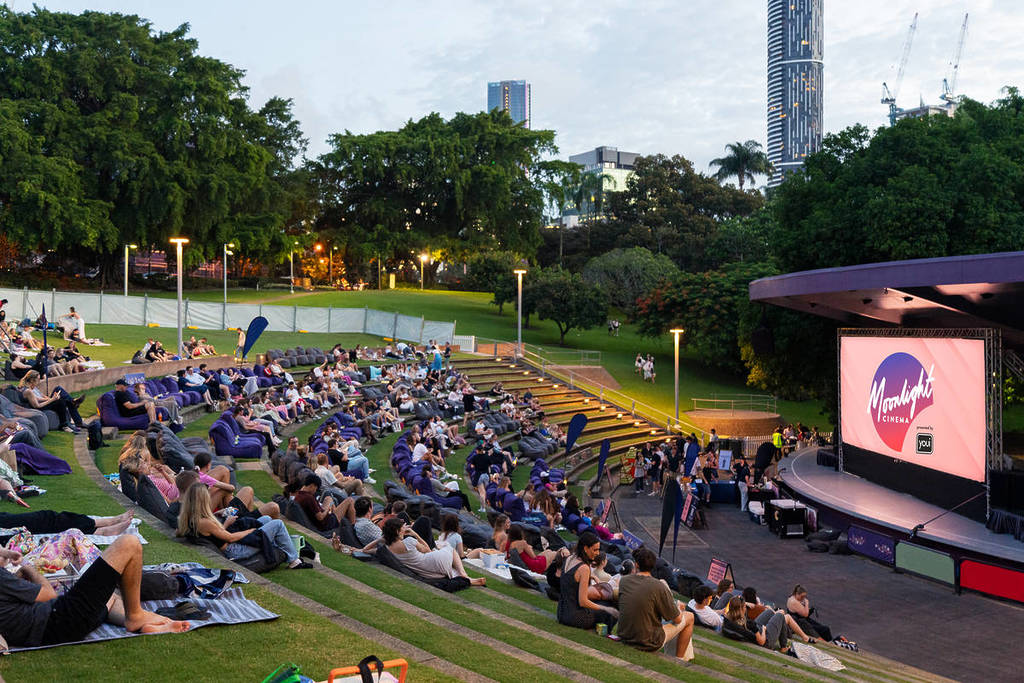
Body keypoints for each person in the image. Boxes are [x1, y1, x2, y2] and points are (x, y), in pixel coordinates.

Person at [0, 535, 191, 647]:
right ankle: (135, 617)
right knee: (129, 544)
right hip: (58, 620)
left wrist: (7, 556)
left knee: (110, 596)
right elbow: (48, 595)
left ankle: (143, 625)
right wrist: (27, 569)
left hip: (53, 627)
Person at [176, 482, 310, 569]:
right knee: (278, 524)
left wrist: (219, 516)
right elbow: (230, 538)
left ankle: (282, 547)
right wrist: (251, 530)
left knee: (266, 518)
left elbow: (212, 534)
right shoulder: (204, 522)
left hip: (229, 544)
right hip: (235, 550)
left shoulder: (189, 518)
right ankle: (294, 560)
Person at [617, 547, 695, 661]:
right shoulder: (658, 586)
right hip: (648, 642)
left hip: (625, 636)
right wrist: (678, 607)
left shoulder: (624, 581)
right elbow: (677, 619)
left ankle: (682, 656)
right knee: (689, 617)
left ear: (636, 564)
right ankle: (679, 660)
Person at [359, 517, 485, 586]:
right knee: (449, 549)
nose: (404, 531)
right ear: (397, 532)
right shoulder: (409, 542)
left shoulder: (386, 549)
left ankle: (469, 579)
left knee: (446, 559)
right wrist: (415, 534)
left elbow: (366, 549)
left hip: (428, 571)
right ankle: (464, 574)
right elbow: (428, 549)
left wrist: (380, 539)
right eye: (402, 529)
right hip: (431, 562)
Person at [556, 531, 617, 631]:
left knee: (601, 604)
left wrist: (591, 576)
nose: (597, 553)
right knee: (609, 608)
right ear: (585, 548)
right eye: (595, 550)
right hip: (575, 617)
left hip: (561, 613)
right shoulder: (584, 568)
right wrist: (605, 609)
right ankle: (605, 634)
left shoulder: (569, 558)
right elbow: (583, 601)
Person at [19, 370, 84, 433]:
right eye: (38, 379)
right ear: (32, 380)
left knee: (59, 390)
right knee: (61, 402)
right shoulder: (28, 391)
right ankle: (65, 425)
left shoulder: (33, 388)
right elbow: (37, 406)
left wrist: (52, 398)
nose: (39, 381)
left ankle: (72, 404)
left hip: (44, 402)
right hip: (40, 407)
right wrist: (52, 399)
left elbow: (41, 397)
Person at [504, 525, 568, 573]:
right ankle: (560, 571)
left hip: (526, 563)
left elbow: (507, 555)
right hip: (532, 566)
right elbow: (533, 556)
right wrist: (530, 548)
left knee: (548, 551)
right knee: (554, 553)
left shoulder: (508, 543)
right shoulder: (522, 543)